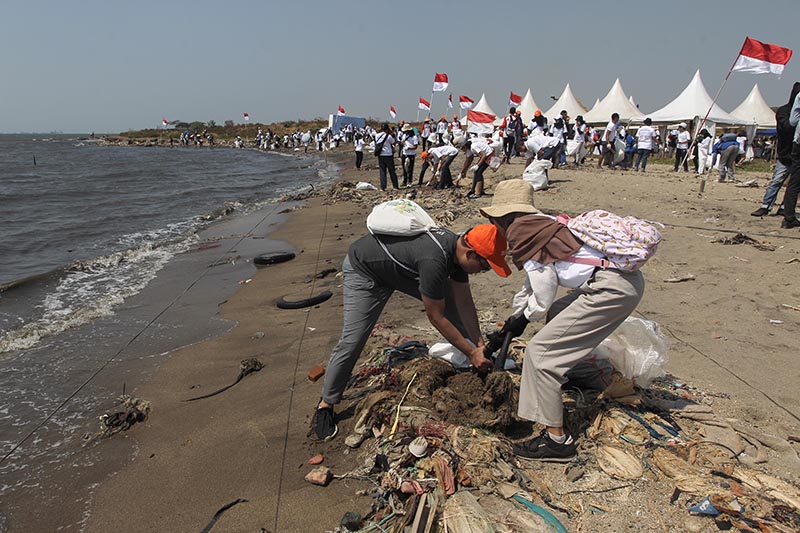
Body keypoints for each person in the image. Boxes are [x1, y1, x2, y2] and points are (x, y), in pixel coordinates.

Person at [479, 180, 645, 460]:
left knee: (540, 354)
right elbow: (533, 285)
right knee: (559, 314)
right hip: (621, 282)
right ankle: (567, 375)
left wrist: (525, 319)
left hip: (610, 289)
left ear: (502, 216)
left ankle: (557, 440)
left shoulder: (522, 231)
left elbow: (542, 295)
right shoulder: (540, 224)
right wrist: (516, 316)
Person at [312, 224, 510, 440]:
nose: (484, 271)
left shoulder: (459, 252)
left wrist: (479, 345)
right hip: (366, 270)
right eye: (486, 266)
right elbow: (435, 317)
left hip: (403, 270)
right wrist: (472, 353)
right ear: (471, 253)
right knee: (353, 339)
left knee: (456, 314)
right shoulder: (434, 260)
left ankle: (477, 365)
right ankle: (326, 404)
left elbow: (464, 302)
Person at [752, 82, 800, 217]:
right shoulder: (784, 111)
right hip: (786, 153)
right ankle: (766, 206)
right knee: (777, 181)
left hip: (797, 155)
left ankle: (786, 208)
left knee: (793, 184)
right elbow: (787, 127)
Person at [778, 83, 800, 228]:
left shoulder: (799, 96)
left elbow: (792, 121)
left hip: (798, 142)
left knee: (795, 181)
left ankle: (789, 216)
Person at [375, 123, 399, 190]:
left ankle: (383, 187)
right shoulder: (388, 136)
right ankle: (395, 186)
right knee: (392, 171)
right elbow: (394, 142)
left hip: (381, 155)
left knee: (382, 171)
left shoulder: (377, 135)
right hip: (388, 155)